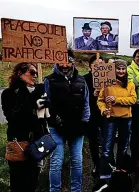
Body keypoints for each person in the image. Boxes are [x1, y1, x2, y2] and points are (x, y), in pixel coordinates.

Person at [44, 50, 90, 192]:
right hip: (56, 128)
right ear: (56, 62)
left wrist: (84, 122)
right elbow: (44, 103)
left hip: (77, 128)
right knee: (56, 162)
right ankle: (54, 190)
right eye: (61, 61)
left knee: (77, 161)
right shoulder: (48, 80)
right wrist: (53, 120)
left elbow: (86, 103)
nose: (64, 65)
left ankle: (76, 190)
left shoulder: (81, 80)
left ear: (72, 62)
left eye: (68, 61)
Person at [1, 62, 46, 192]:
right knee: (18, 182)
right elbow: (14, 117)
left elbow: (43, 118)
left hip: (36, 143)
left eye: (36, 73)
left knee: (32, 182)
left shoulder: (37, 92)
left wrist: (46, 104)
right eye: (32, 72)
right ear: (20, 74)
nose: (35, 76)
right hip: (18, 142)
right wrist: (33, 97)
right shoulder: (8, 93)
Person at [93, 59, 137, 191]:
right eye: (118, 69)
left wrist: (116, 100)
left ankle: (120, 173)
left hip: (125, 119)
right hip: (111, 118)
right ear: (114, 70)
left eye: (123, 69)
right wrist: (102, 109)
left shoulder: (130, 84)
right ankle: (104, 178)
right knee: (107, 149)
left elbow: (133, 99)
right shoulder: (107, 84)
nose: (121, 71)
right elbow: (100, 101)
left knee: (123, 147)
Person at [84, 54, 104, 178]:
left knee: (107, 139)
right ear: (90, 67)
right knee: (93, 141)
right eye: (96, 65)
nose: (99, 67)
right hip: (91, 113)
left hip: (105, 113)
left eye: (101, 64)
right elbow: (82, 98)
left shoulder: (108, 78)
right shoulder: (84, 79)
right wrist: (93, 94)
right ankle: (97, 163)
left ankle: (108, 162)